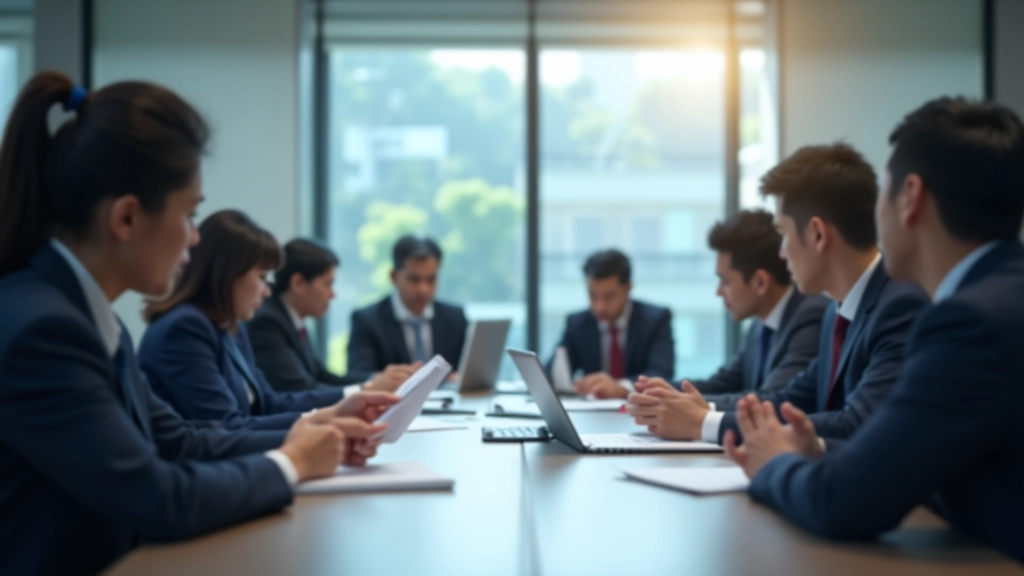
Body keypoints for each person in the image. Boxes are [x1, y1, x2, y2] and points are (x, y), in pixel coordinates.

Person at [0, 72, 389, 575]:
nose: (193, 240)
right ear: (126, 218)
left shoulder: (89, 317)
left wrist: (317, 427)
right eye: (189, 216)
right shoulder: (46, 331)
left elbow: (182, 441)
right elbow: (157, 499)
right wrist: (292, 462)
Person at [727, 97, 1024, 563]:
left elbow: (843, 503)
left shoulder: (970, 325)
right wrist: (822, 450)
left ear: (911, 197)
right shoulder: (1000, 296)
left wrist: (774, 462)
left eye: (881, 191)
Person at [627, 143, 928, 444]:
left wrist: (706, 423)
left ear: (817, 234)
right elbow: (791, 398)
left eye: (782, 234)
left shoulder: (900, 304)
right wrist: (697, 410)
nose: (781, 254)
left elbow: (858, 423)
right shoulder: (835, 313)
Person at [139, 210, 397, 431]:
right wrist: (323, 421)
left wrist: (345, 405)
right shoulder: (185, 329)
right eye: (262, 277)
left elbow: (270, 403)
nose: (267, 290)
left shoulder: (232, 327)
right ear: (228, 275)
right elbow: (227, 426)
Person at [691, 210, 829, 399]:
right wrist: (655, 393)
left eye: (725, 281)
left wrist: (688, 407)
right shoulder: (760, 325)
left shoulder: (810, 315)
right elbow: (723, 382)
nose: (718, 292)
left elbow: (774, 399)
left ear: (760, 282)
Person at [248, 238, 411, 393]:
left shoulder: (291, 318)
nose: (333, 295)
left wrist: (376, 379)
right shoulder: (268, 322)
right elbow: (301, 389)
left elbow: (321, 375)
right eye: (327, 284)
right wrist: (368, 388)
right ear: (298, 283)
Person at [549, 249, 674, 399]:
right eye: (592, 296)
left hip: (639, 412)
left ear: (628, 288)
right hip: (592, 415)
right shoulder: (578, 323)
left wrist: (622, 388)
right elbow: (553, 371)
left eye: (609, 297)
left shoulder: (655, 319)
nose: (599, 306)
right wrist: (571, 382)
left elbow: (661, 373)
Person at [347, 235, 468, 377]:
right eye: (414, 279)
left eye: (431, 279)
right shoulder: (367, 320)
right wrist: (384, 380)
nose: (423, 289)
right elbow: (357, 375)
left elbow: (468, 370)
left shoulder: (455, 318)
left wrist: (460, 378)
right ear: (394, 277)